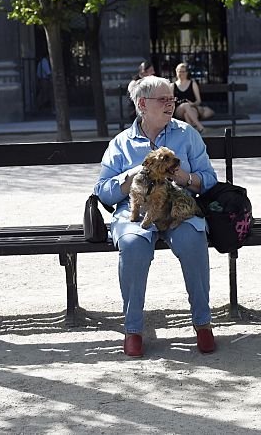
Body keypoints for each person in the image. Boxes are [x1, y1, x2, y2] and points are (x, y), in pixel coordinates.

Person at [94, 75, 219, 357]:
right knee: (132, 244)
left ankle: (203, 324)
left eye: (172, 99)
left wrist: (187, 178)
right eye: (163, 99)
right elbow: (102, 191)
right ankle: (133, 330)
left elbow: (210, 180)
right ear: (142, 104)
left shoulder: (187, 134)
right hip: (135, 209)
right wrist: (129, 178)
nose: (170, 104)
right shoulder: (121, 144)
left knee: (192, 239)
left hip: (177, 206)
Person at [172, 62, 213, 134]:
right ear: (176, 72)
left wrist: (193, 104)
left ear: (187, 72)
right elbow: (170, 100)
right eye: (179, 71)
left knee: (187, 114)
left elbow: (198, 101)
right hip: (179, 109)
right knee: (185, 105)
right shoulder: (172, 86)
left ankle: (192, 133)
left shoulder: (192, 84)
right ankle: (200, 127)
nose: (181, 73)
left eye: (183, 71)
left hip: (192, 107)